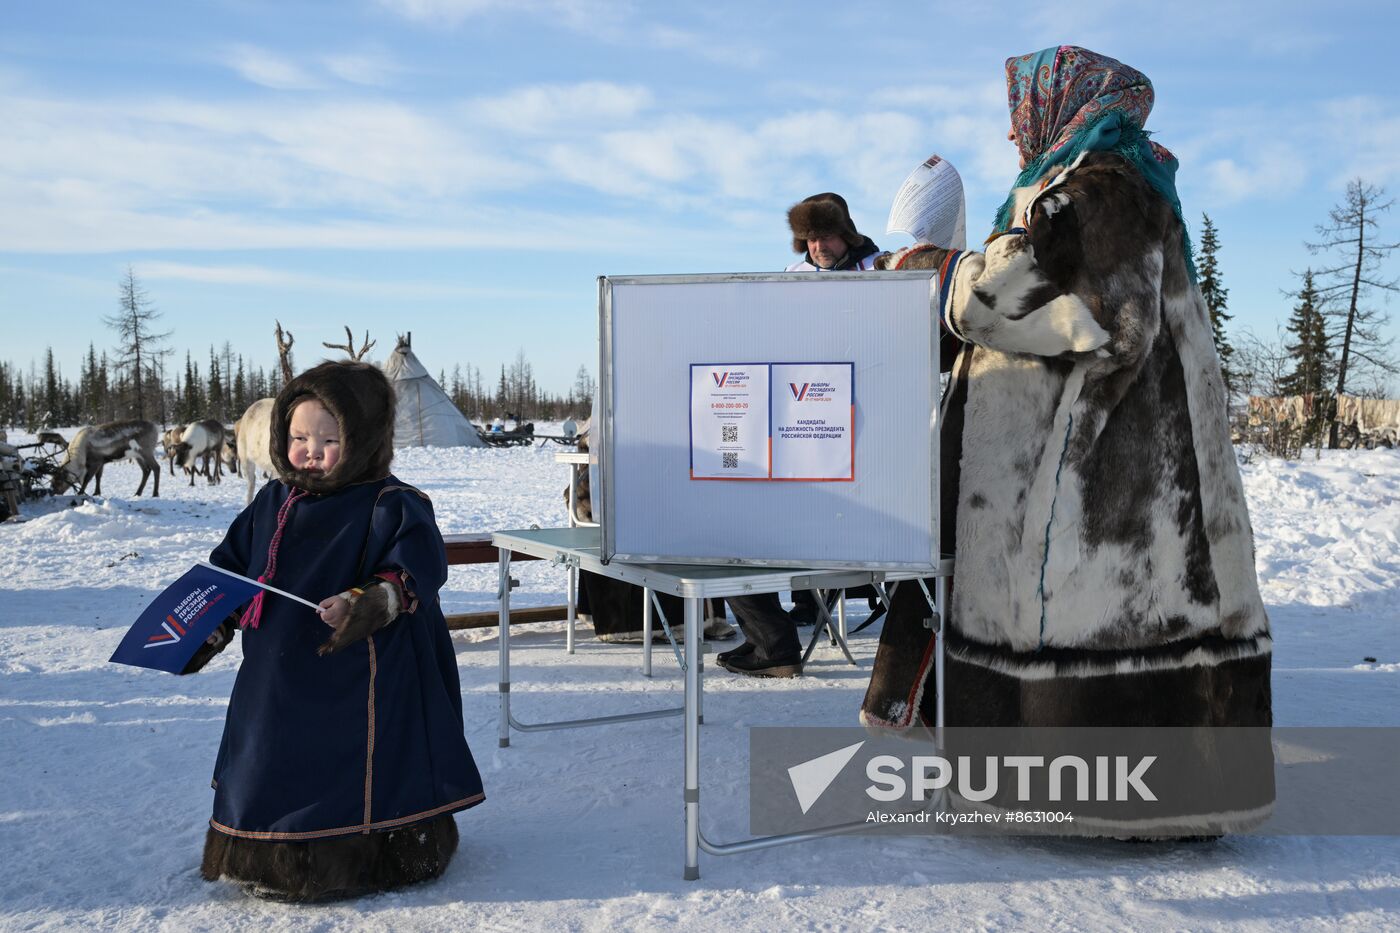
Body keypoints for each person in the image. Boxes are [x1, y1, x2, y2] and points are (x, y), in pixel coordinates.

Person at [861, 47, 1272, 831]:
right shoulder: (1101, 181)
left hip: (1112, 474)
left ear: (1059, 105)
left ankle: (1138, 803)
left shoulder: (1101, 188)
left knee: (1117, 622)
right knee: (1139, 626)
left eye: (1024, 118)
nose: (1018, 139)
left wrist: (944, 276)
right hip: (1122, 465)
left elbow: (1075, 309)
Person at [183, 360, 484, 900]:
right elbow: (230, 566)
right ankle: (267, 856)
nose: (310, 451)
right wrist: (204, 622)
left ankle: (371, 860)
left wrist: (366, 601)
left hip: (365, 672)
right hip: (276, 671)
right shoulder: (272, 500)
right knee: (268, 755)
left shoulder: (393, 504)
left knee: (356, 767)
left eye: (329, 438)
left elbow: (417, 569)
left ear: (365, 437)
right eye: (298, 436)